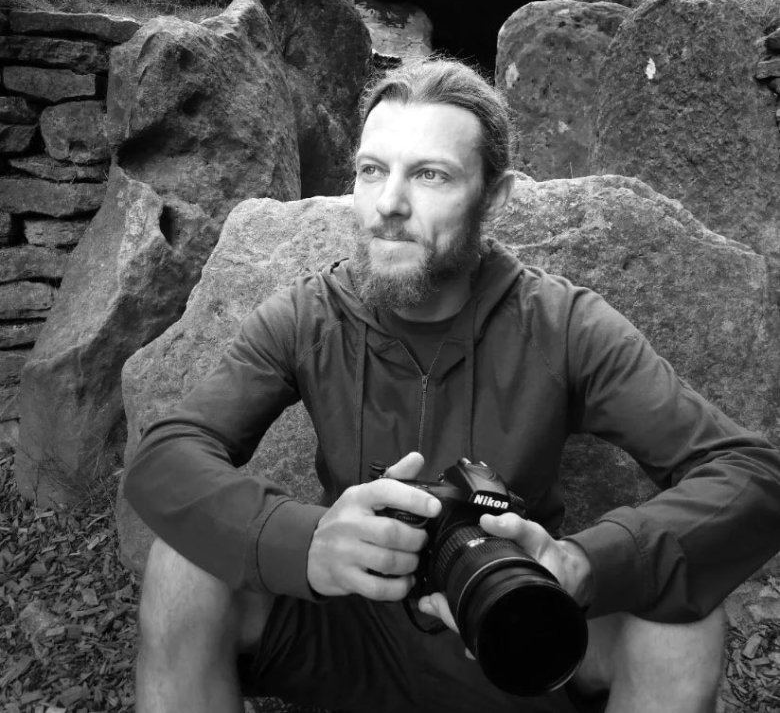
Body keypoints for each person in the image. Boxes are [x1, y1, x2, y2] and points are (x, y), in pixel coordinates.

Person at [124, 57, 780, 713]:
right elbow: (167, 454)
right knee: (183, 564)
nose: (389, 205)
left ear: (494, 198)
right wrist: (303, 541)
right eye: (372, 170)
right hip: (354, 624)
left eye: (430, 175)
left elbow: (750, 474)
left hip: (512, 621)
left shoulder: (563, 325)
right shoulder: (308, 316)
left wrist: (585, 564)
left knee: (684, 615)